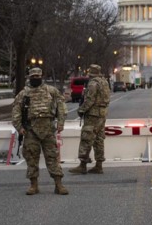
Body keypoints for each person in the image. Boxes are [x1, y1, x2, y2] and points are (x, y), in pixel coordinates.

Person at [11, 67, 68, 195]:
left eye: (38, 76)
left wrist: (60, 122)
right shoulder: (23, 94)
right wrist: (19, 127)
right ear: (29, 78)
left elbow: (61, 105)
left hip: (48, 128)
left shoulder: (51, 91)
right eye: (33, 77)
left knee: (52, 156)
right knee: (31, 157)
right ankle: (33, 185)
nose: (35, 78)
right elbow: (16, 111)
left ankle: (58, 184)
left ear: (41, 76)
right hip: (31, 130)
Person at [69, 64, 111, 175]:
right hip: (102, 114)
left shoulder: (93, 84)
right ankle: (99, 165)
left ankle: (83, 164)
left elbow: (90, 100)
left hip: (93, 115)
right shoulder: (104, 82)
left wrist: (81, 110)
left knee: (86, 138)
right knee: (99, 139)